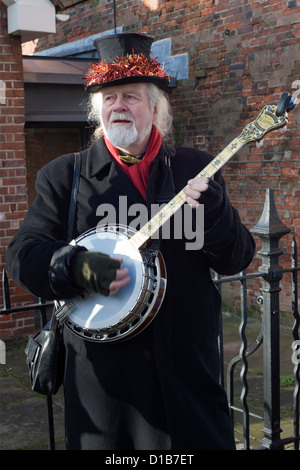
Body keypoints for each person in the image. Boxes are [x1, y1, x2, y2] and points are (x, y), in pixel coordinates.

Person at [6, 32, 256, 450]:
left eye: (131, 96)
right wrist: (78, 267)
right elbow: (22, 255)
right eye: (109, 98)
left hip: (189, 382)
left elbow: (237, 257)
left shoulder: (196, 170)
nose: (118, 106)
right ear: (97, 109)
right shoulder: (64, 177)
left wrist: (214, 210)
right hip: (108, 395)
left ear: (156, 108)